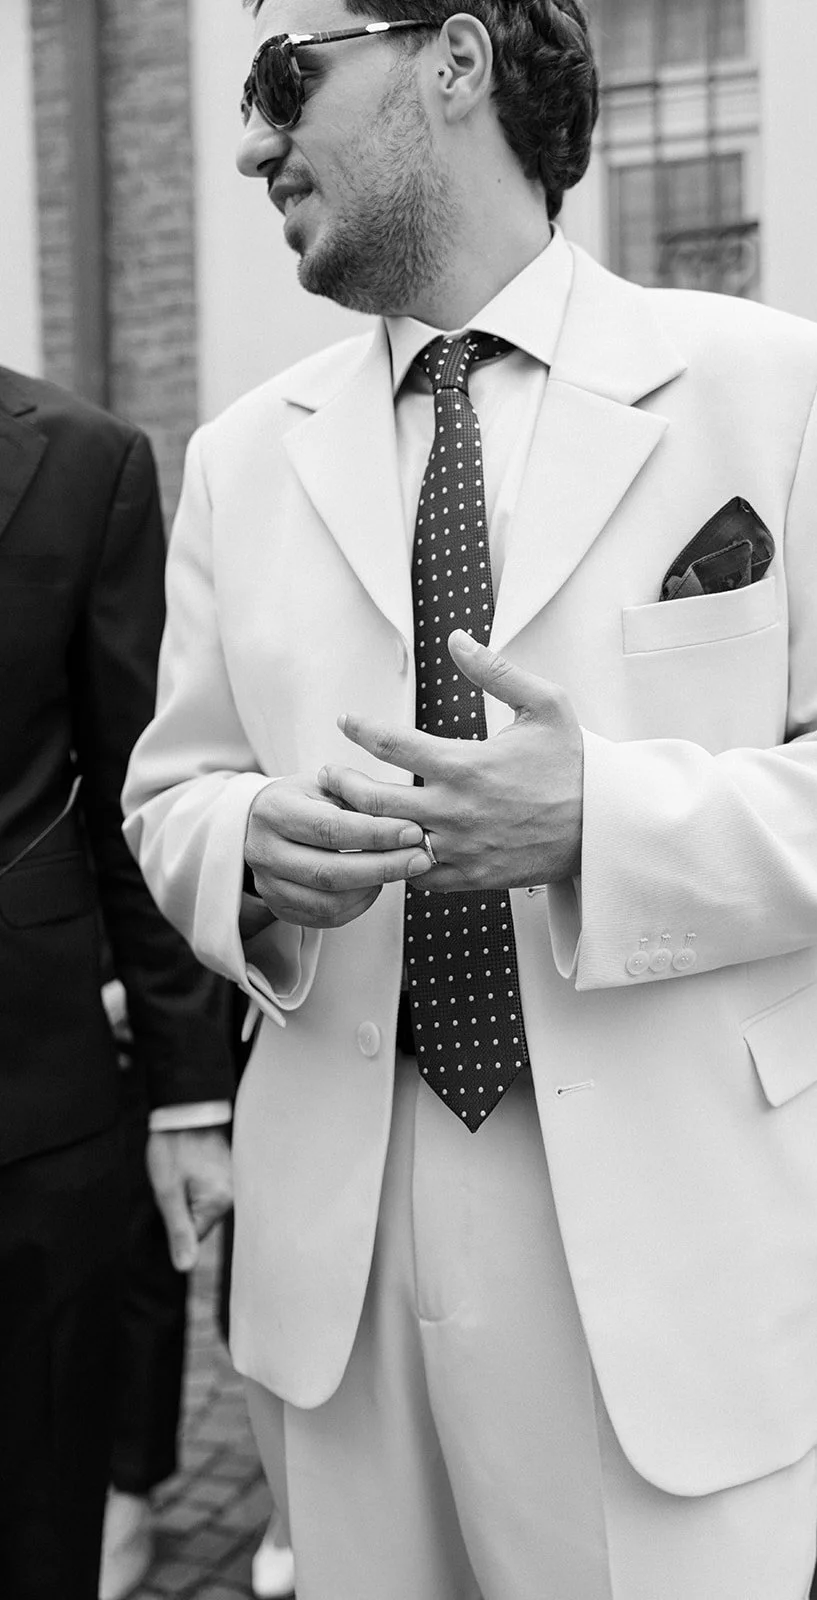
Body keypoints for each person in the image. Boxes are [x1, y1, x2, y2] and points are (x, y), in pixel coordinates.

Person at [121, 5, 817, 1595]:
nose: (251, 142)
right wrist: (245, 852)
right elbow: (173, 787)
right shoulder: (243, 456)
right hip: (342, 1233)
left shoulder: (776, 389)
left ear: (451, 61)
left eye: (280, 82)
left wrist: (606, 824)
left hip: (673, 1236)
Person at [0, 364, 235, 1600]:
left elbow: (137, 798)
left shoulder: (87, 461)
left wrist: (190, 1091)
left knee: (38, 1522)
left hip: (35, 1104)